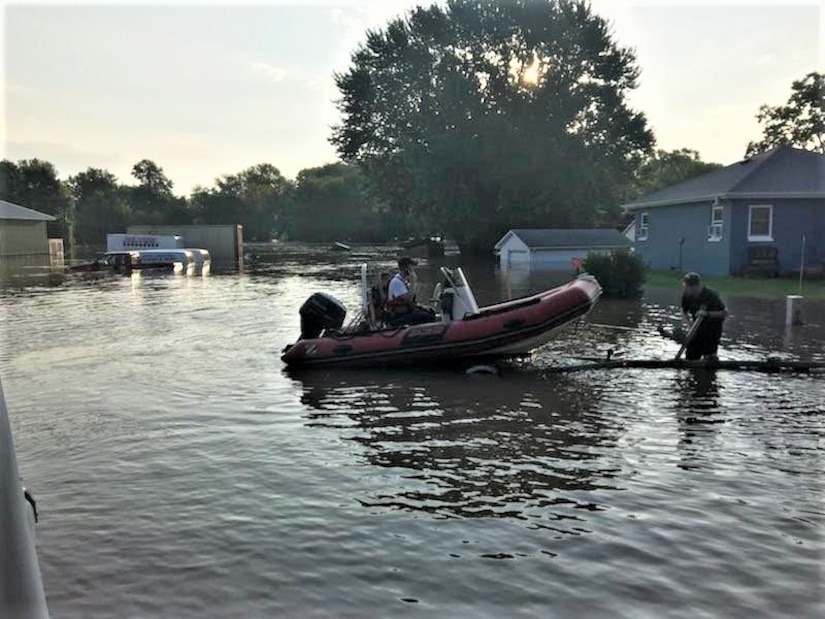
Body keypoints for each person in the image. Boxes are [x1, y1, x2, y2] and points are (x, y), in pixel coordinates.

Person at [680, 272, 728, 361]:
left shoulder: (711, 295)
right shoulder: (687, 296)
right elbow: (683, 312)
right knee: (691, 358)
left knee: (709, 359)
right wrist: (689, 324)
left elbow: (724, 313)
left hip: (712, 331)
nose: (685, 289)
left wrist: (707, 314)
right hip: (696, 331)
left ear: (695, 287)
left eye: (687, 287)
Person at [386, 257, 435, 325]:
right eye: (411, 269)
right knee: (426, 316)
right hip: (399, 315)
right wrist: (412, 283)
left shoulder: (403, 282)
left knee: (430, 311)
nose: (412, 271)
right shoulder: (396, 282)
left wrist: (422, 306)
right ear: (405, 269)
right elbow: (409, 299)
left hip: (407, 311)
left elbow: (412, 301)